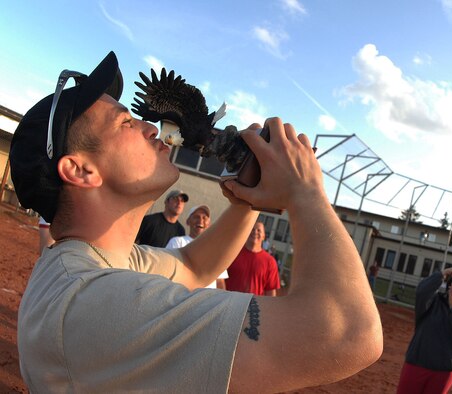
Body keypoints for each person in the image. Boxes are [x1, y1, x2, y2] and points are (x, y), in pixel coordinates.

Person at [10, 52, 382, 392]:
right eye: (125, 123)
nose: (150, 127)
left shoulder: (94, 265)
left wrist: (245, 198)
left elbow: (194, 265)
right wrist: (307, 192)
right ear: (80, 170)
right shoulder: (91, 302)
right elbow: (348, 333)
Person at [396, 266, 452, 393]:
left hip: (444, 371)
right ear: (450, 283)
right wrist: (442, 274)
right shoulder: (434, 300)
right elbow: (421, 292)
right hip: (417, 363)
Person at [166, 205, 228, 289]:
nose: (200, 221)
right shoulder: (177, 242)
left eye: (204, 218)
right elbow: (167, 271)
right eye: (196, 217)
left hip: (207, 300)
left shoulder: (216, 249)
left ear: (208, 223)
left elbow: (220, 282)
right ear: (188, 221)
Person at [226, 222, 281, 296]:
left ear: (263, 236)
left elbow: (270, 291)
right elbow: (220, 280)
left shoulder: (270, 262)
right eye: (252, 229)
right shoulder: (233, 253)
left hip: (253, 306)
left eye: (259, 230)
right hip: (229, 303)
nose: (255, 232)